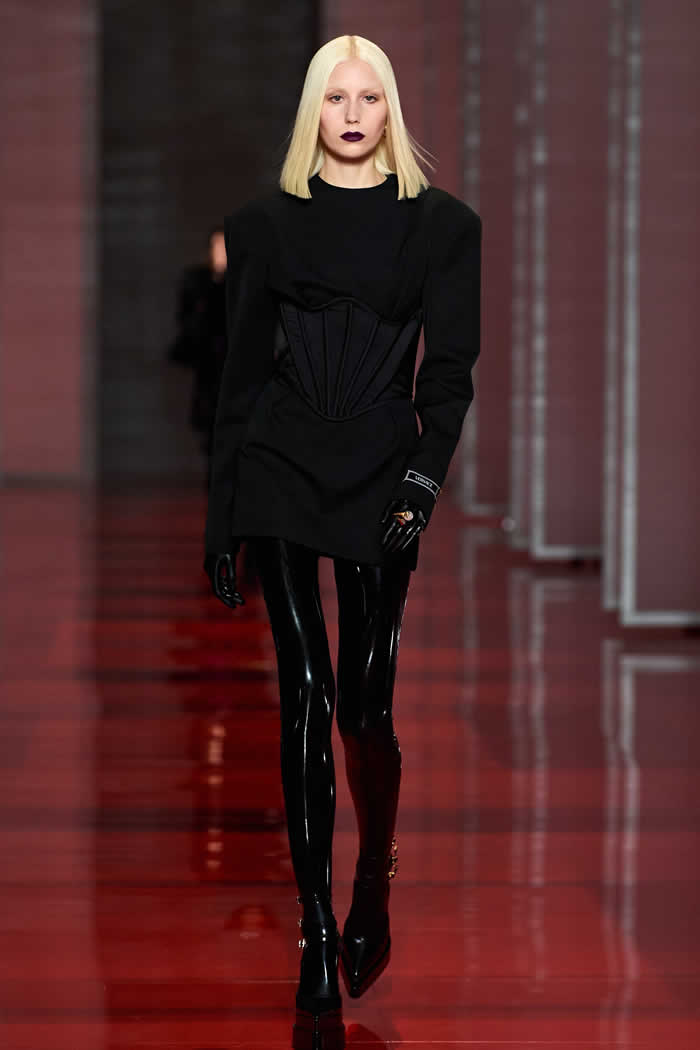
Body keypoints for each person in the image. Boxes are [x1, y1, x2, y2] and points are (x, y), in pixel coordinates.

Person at [204, 34, 481, 1050]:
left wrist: (423, 480)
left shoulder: (443, 228)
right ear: (312, 110)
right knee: (308, 694)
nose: (353, 114)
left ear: (390, 109)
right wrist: (222, 517)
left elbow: (447, 374)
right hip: (280, 469)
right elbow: (239, 380)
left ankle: (373, 873)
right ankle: (316, 931)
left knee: (365, 703)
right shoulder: (263, 227)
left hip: (382, 479)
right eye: (336, 97)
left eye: (370, 98)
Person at [168, 225, 228, 484]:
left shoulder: (244, 281)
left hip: (233, 366)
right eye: (219, 246)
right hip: (208, 367)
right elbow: (187, 321)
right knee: (210, 429)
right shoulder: (198, 281)